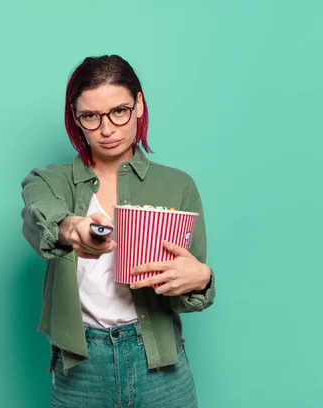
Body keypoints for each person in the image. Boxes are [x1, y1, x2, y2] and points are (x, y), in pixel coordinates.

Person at [21, 55, 215, 408]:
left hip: (160, 365)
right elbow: (37, 217)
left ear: (139, 104)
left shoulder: (178, 185)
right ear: (75, 117)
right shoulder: (50, 181)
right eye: (90, 116)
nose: (106, 129)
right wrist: (69, 228)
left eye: (119, 111)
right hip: (82, 367)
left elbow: (191, 290)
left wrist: (201, 279)